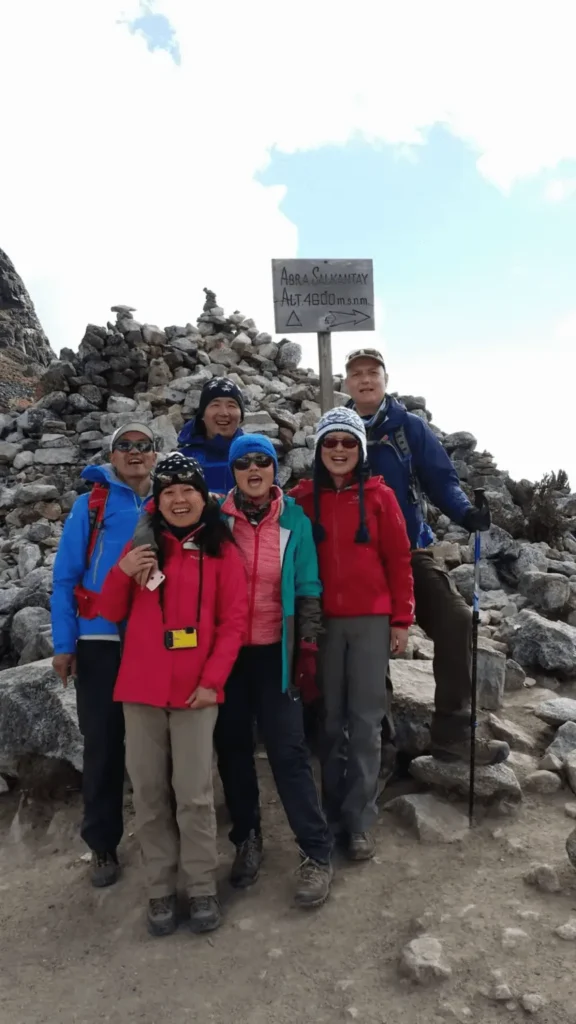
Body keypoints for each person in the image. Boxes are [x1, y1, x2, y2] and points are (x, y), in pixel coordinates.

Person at [97, 453, 248, 937]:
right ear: (157, 501)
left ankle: (201, 886)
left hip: (195, 693)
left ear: (204, 497)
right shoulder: (142, 547)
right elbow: (108, 611)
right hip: (141, 688)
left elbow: (233, 623)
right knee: (149, 793)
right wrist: (123, 571)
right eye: (168, 492)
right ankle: (160, 888)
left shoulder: (222, 550)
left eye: (188, 491)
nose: (179, 500)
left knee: (195, 794)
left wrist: (213, 682)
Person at [344, 347, 509, 766]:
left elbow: (440, 479)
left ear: (385, 379)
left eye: (373, 372)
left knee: (456, 619)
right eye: (357, 373)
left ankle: (453, 733)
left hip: (410, 549)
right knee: (368, 640)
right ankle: (378, 745)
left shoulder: (408, 427)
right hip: (356, 558)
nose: (365, 379)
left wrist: (465, 513)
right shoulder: (339, 428)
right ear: (346, 382)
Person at [214, 433, 334, 909]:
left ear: (274, 468)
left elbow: (308, 586)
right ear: (233, 470)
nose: (254, 469)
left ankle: (316, 851)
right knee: (233, 749)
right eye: (243, 462)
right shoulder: (216, 518)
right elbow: (158, 515)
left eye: (262, 461)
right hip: (226, 655)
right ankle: (247, 839)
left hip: (275, 654)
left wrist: (308, 647)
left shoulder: (294, 520)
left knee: (288, 750)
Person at [291, 408, 414, 860]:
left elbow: (399, 560)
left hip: (371, 622)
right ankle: (331, 811)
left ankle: (359, 819)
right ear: (319, 449)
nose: (339, 449)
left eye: (348, 442)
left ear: (360, 449)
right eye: (330, 442)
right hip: (322, 622)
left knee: (365, 720)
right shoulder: (301, 499)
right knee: (328, 718)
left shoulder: (381, 497)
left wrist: (401, 619)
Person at [51, 423, 157, 887]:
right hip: (99, 641)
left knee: (156, 742)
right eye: (125, 446)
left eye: (143, 446)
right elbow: (64, 577)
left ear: (155, 455)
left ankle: (164, 836)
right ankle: (102, 844)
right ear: (111, 456)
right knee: (103, 744)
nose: (135, 453)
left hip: (153, 638)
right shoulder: (90, 505)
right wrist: (63, 644)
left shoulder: (169, 498)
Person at [177, 377, 244, 493]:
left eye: (231, 405)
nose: (224, 413)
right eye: (215, 405)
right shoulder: (183, 459)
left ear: (241, 417)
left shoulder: (254, 455)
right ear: (202, 415)